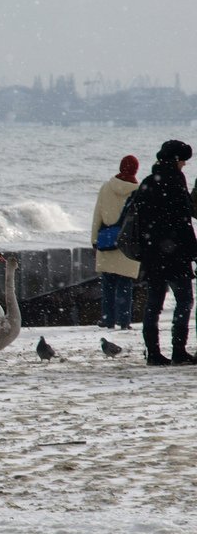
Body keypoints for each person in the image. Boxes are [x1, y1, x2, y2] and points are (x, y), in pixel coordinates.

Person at [134, 139, 197, 366]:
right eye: (183, 161)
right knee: (184, 301)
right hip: (176, 255)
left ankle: (153, 353)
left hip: (152, 255)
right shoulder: (176, 183)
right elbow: (183, 223)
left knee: (153, 304)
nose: (184, 166)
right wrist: (193, 251)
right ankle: (179, 351)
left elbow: (139, 222)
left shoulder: (148, 183)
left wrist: (145, 250)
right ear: (176, 160)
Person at [91, 155, 141, 329]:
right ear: (135, 169)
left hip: (107, 240)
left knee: (107, 284)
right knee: (125, 285)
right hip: (128, 243)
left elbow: (97, 215)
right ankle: (125, 321)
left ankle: (108, 319)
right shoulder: (139, 190)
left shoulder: (106, 188)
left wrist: (94, 240)